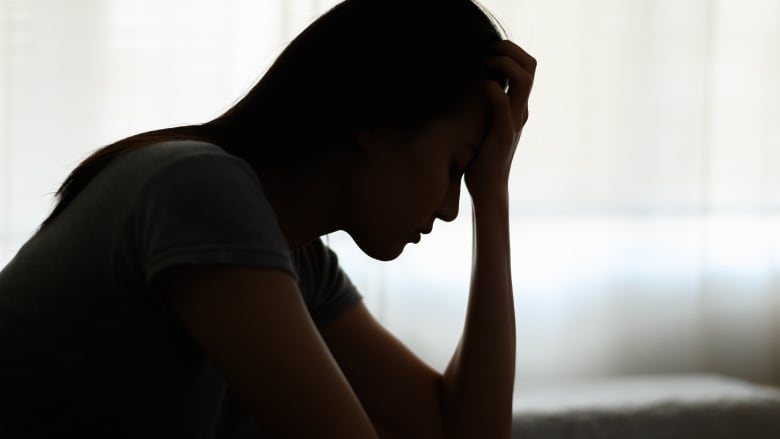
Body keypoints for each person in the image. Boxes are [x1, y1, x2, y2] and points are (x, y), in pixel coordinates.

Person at [0, 0, 535, 437]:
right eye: (454, 169)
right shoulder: (197, 190)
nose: (448, 208)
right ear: (376, 119)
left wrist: (493, 199)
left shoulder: (297, 260)